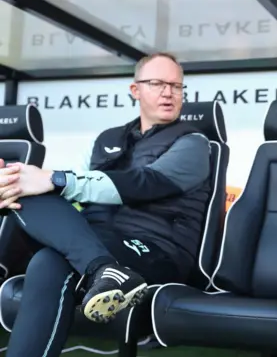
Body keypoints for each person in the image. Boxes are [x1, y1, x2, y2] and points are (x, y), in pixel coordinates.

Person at [0, 52, 211, 357]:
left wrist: (55, 179)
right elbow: (77, 194)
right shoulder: (106, 139)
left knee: (49, 251)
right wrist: (18, 183)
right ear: (135, 90)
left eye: (177, 86)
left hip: (156, 251)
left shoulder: (194, 143)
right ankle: (104, 269)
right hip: (97, 241)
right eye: (158, 83)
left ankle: (103, 268)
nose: (168, 92)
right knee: (24, 193)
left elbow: (143, 184)